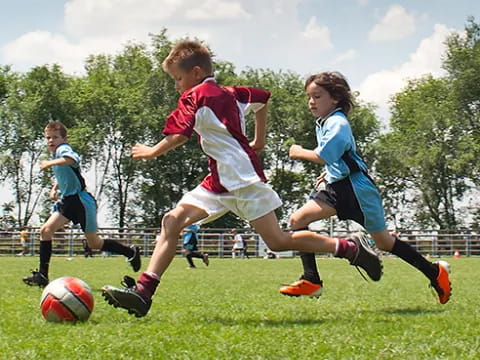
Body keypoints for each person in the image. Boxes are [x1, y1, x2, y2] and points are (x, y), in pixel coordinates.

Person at [101, 40, 381, 318]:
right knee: (172, 221)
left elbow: (180, 134)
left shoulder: (195, 96)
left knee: (279, 242)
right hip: (218, 182)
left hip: (244, 182)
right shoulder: (233, 93)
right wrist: (259, 140)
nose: (176, 85)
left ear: (196, 73)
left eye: (178, 78)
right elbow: (262, 99)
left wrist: (152, 151)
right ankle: (144, 294)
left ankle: (348, 248)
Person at [278, 71, 451, 304]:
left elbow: (326, 154)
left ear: (335, 99)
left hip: (357, 190)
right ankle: (311, 280)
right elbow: (339, 158)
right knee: (297, 221)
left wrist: (298, 151)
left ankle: (434, 272)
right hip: (338, 186)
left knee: (384, 243)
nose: (311, 102)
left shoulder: (337, 122)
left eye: (317, 96)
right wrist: (328, 174)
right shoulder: (326, 122)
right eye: (309, 97)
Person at [22, 121, 141, 287]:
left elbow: (72, 159)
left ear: (64, 138)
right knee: (45, 230)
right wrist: (55, 187)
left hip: (81, 201)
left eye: (55, 137)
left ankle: (130, 251)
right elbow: (66, 172)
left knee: (94, 243)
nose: (51, 141)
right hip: (68, 201)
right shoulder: (56, 155)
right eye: (48, 138)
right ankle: (42, 275)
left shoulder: (63, 150)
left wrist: (49, 164)